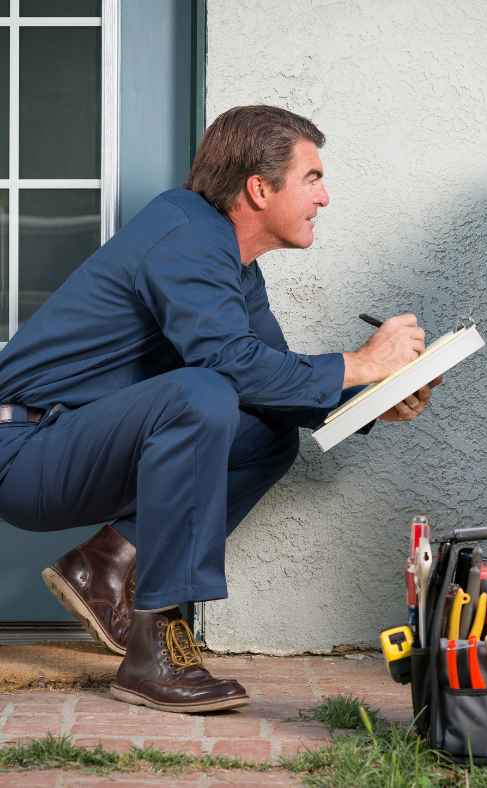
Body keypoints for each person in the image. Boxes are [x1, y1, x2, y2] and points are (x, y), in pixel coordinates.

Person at [0, 105, 440, 714]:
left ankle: (104, 569)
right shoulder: (184, 231)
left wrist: (374, 399)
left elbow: (272, 384)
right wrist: (361, 361)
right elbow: (227, 365)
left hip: (70, 440)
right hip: (24, 450)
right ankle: (154, 649)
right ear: (260, 187)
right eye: (312, 178)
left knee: (268, 432)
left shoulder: (234, 261)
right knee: (203, 391)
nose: (326, 197)